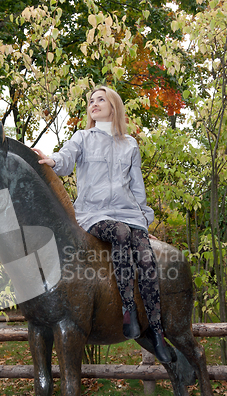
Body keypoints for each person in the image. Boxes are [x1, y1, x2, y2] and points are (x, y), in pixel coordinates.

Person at [32, 86, 171, 364]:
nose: (93, 104)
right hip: (94, 214)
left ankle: (156, 331)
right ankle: (127, 311)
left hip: (128, 213)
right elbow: (65, 158)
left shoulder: (130, 144)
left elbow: (137, 190)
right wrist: (52, 159)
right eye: (91, 101)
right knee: (119, 233)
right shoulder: (82, 138)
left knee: (146, 256)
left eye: (100, 100)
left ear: (113, 106)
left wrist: (143, 223)